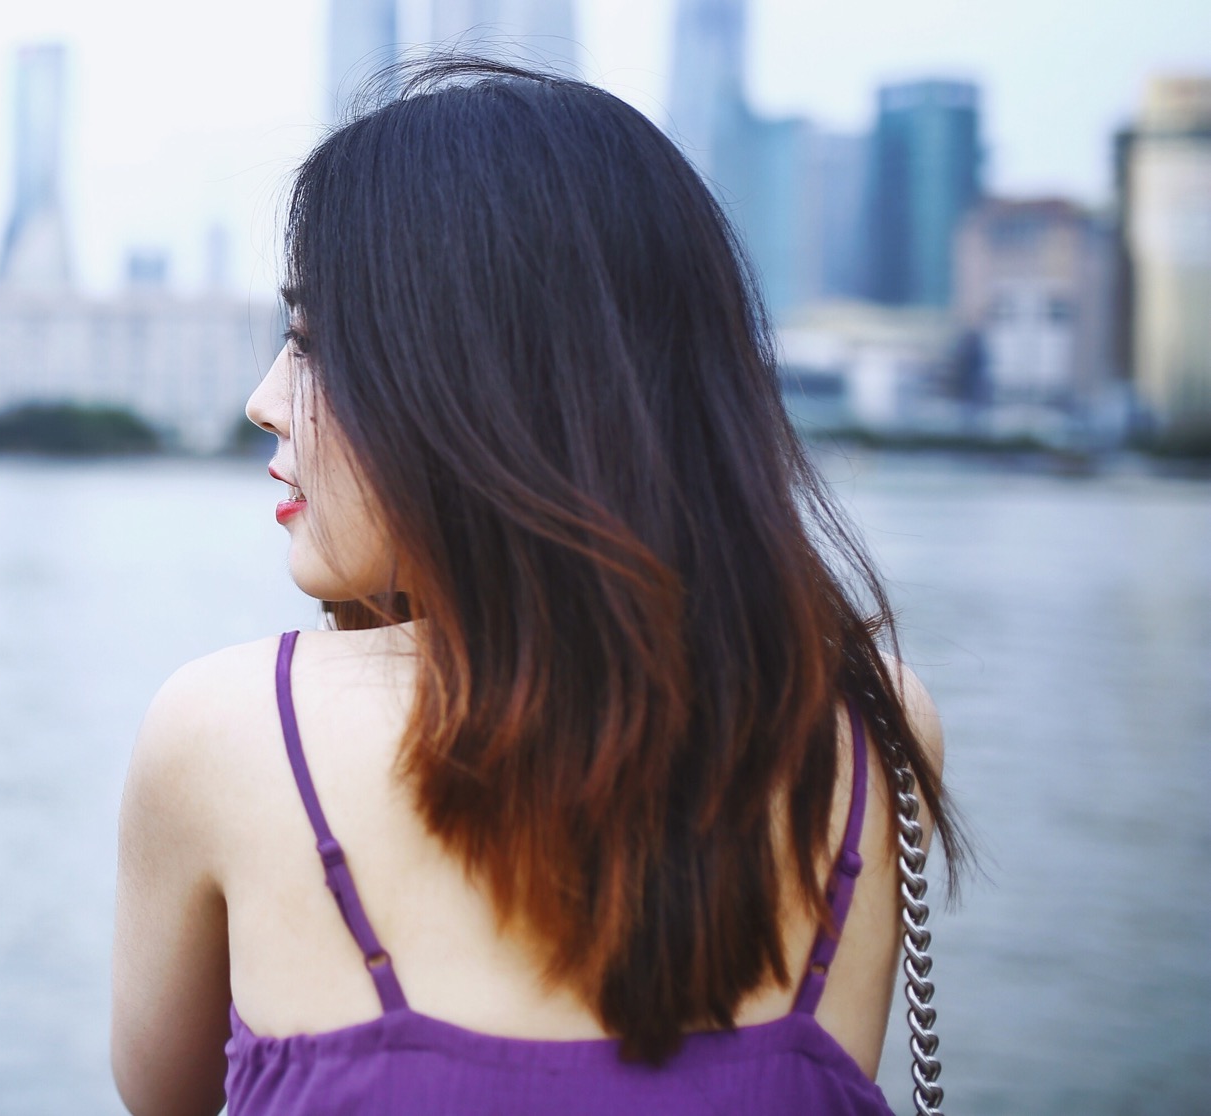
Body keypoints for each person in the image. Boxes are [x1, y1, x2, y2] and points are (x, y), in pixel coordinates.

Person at [111, 60, 955, 1115]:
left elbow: (166, 1096)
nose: (263, 401)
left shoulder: (229, 732)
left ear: (475, 378)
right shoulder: (871, 725)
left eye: (313, 343)